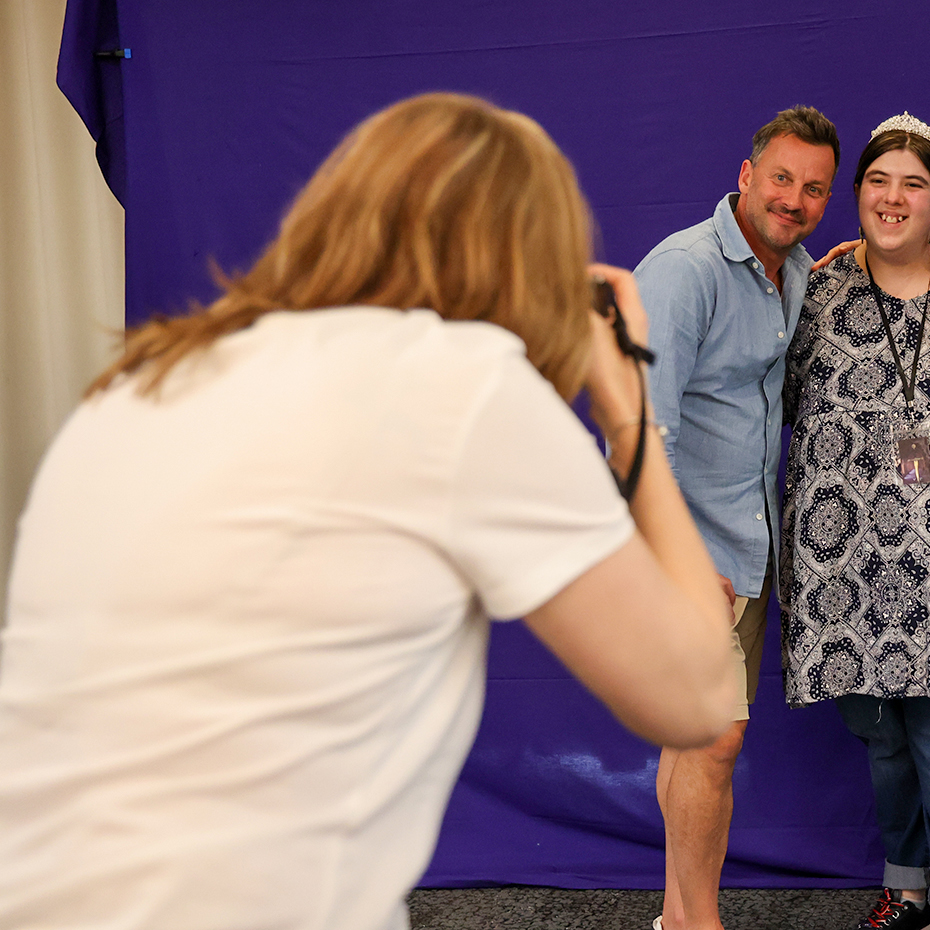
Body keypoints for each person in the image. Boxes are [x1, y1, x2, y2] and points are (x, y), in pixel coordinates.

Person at [0, 93, 737, 930]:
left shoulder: (142, 383)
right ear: (528, 260)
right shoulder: (465, 384)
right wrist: (629, 407)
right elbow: (696, 698)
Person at [781, 113, 930, 930]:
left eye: (913, 185)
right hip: (846, 561)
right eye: (878, 181)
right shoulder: (817, 286)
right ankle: (909, 886)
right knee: (884, 738)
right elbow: (759, 394)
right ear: (857, 197)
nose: (893, 198)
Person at [633, 106, 840, 930]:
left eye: (814, 188)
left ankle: (677, 918)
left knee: (697, 742)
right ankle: (698, 924)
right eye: (782, 178)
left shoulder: (789, 275)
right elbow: (637, 431)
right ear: (747, 174)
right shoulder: (682, 271)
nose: (794, 199)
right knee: (714, 741)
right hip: (686, 553)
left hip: (747, 550)